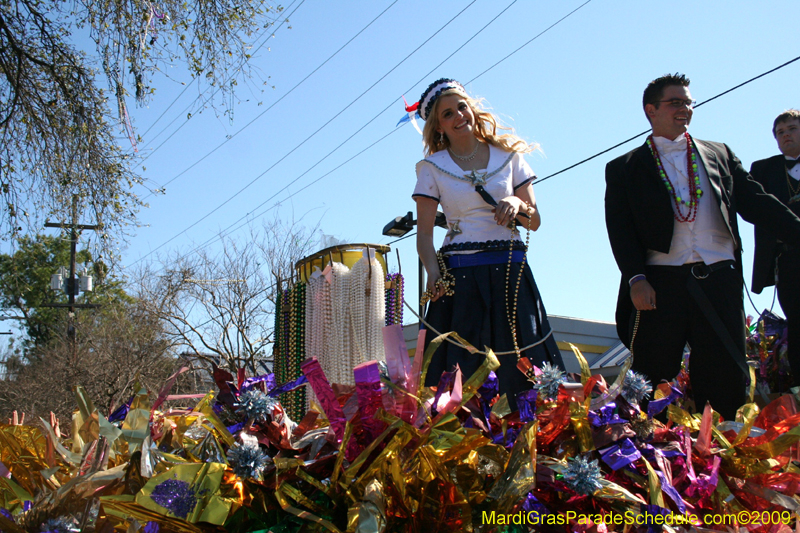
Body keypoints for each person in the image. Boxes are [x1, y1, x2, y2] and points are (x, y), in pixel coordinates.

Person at [605, 74, 800, 420]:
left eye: (689, 102)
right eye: (675, 102)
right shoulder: (625, 167)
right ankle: (653, 459)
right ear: (651, 110)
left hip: (719, 278)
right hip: (659, 284)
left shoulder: (719, 154)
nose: (685, 108)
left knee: (725, 375)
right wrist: (636, 278)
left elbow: (757, 202)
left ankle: (721, 459)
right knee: (654, 377)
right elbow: (621, 229)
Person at [411, 78, 565, 410]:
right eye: (448, 113)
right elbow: (424, 236)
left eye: (462, 107)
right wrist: (434, 275)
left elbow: (534, 222)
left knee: (523, 360)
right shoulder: (431, 169)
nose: (458, 116)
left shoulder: (509, 157)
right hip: (460, 279)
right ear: (438, 126)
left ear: (473, 109)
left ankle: (531, 434)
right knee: (461, 368)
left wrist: (516, 203)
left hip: (510, 273)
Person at [750, 109, 800, 387]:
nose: (786, 135)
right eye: (780, 132)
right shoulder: (764, 169)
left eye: (791, 129)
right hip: (789, 260)